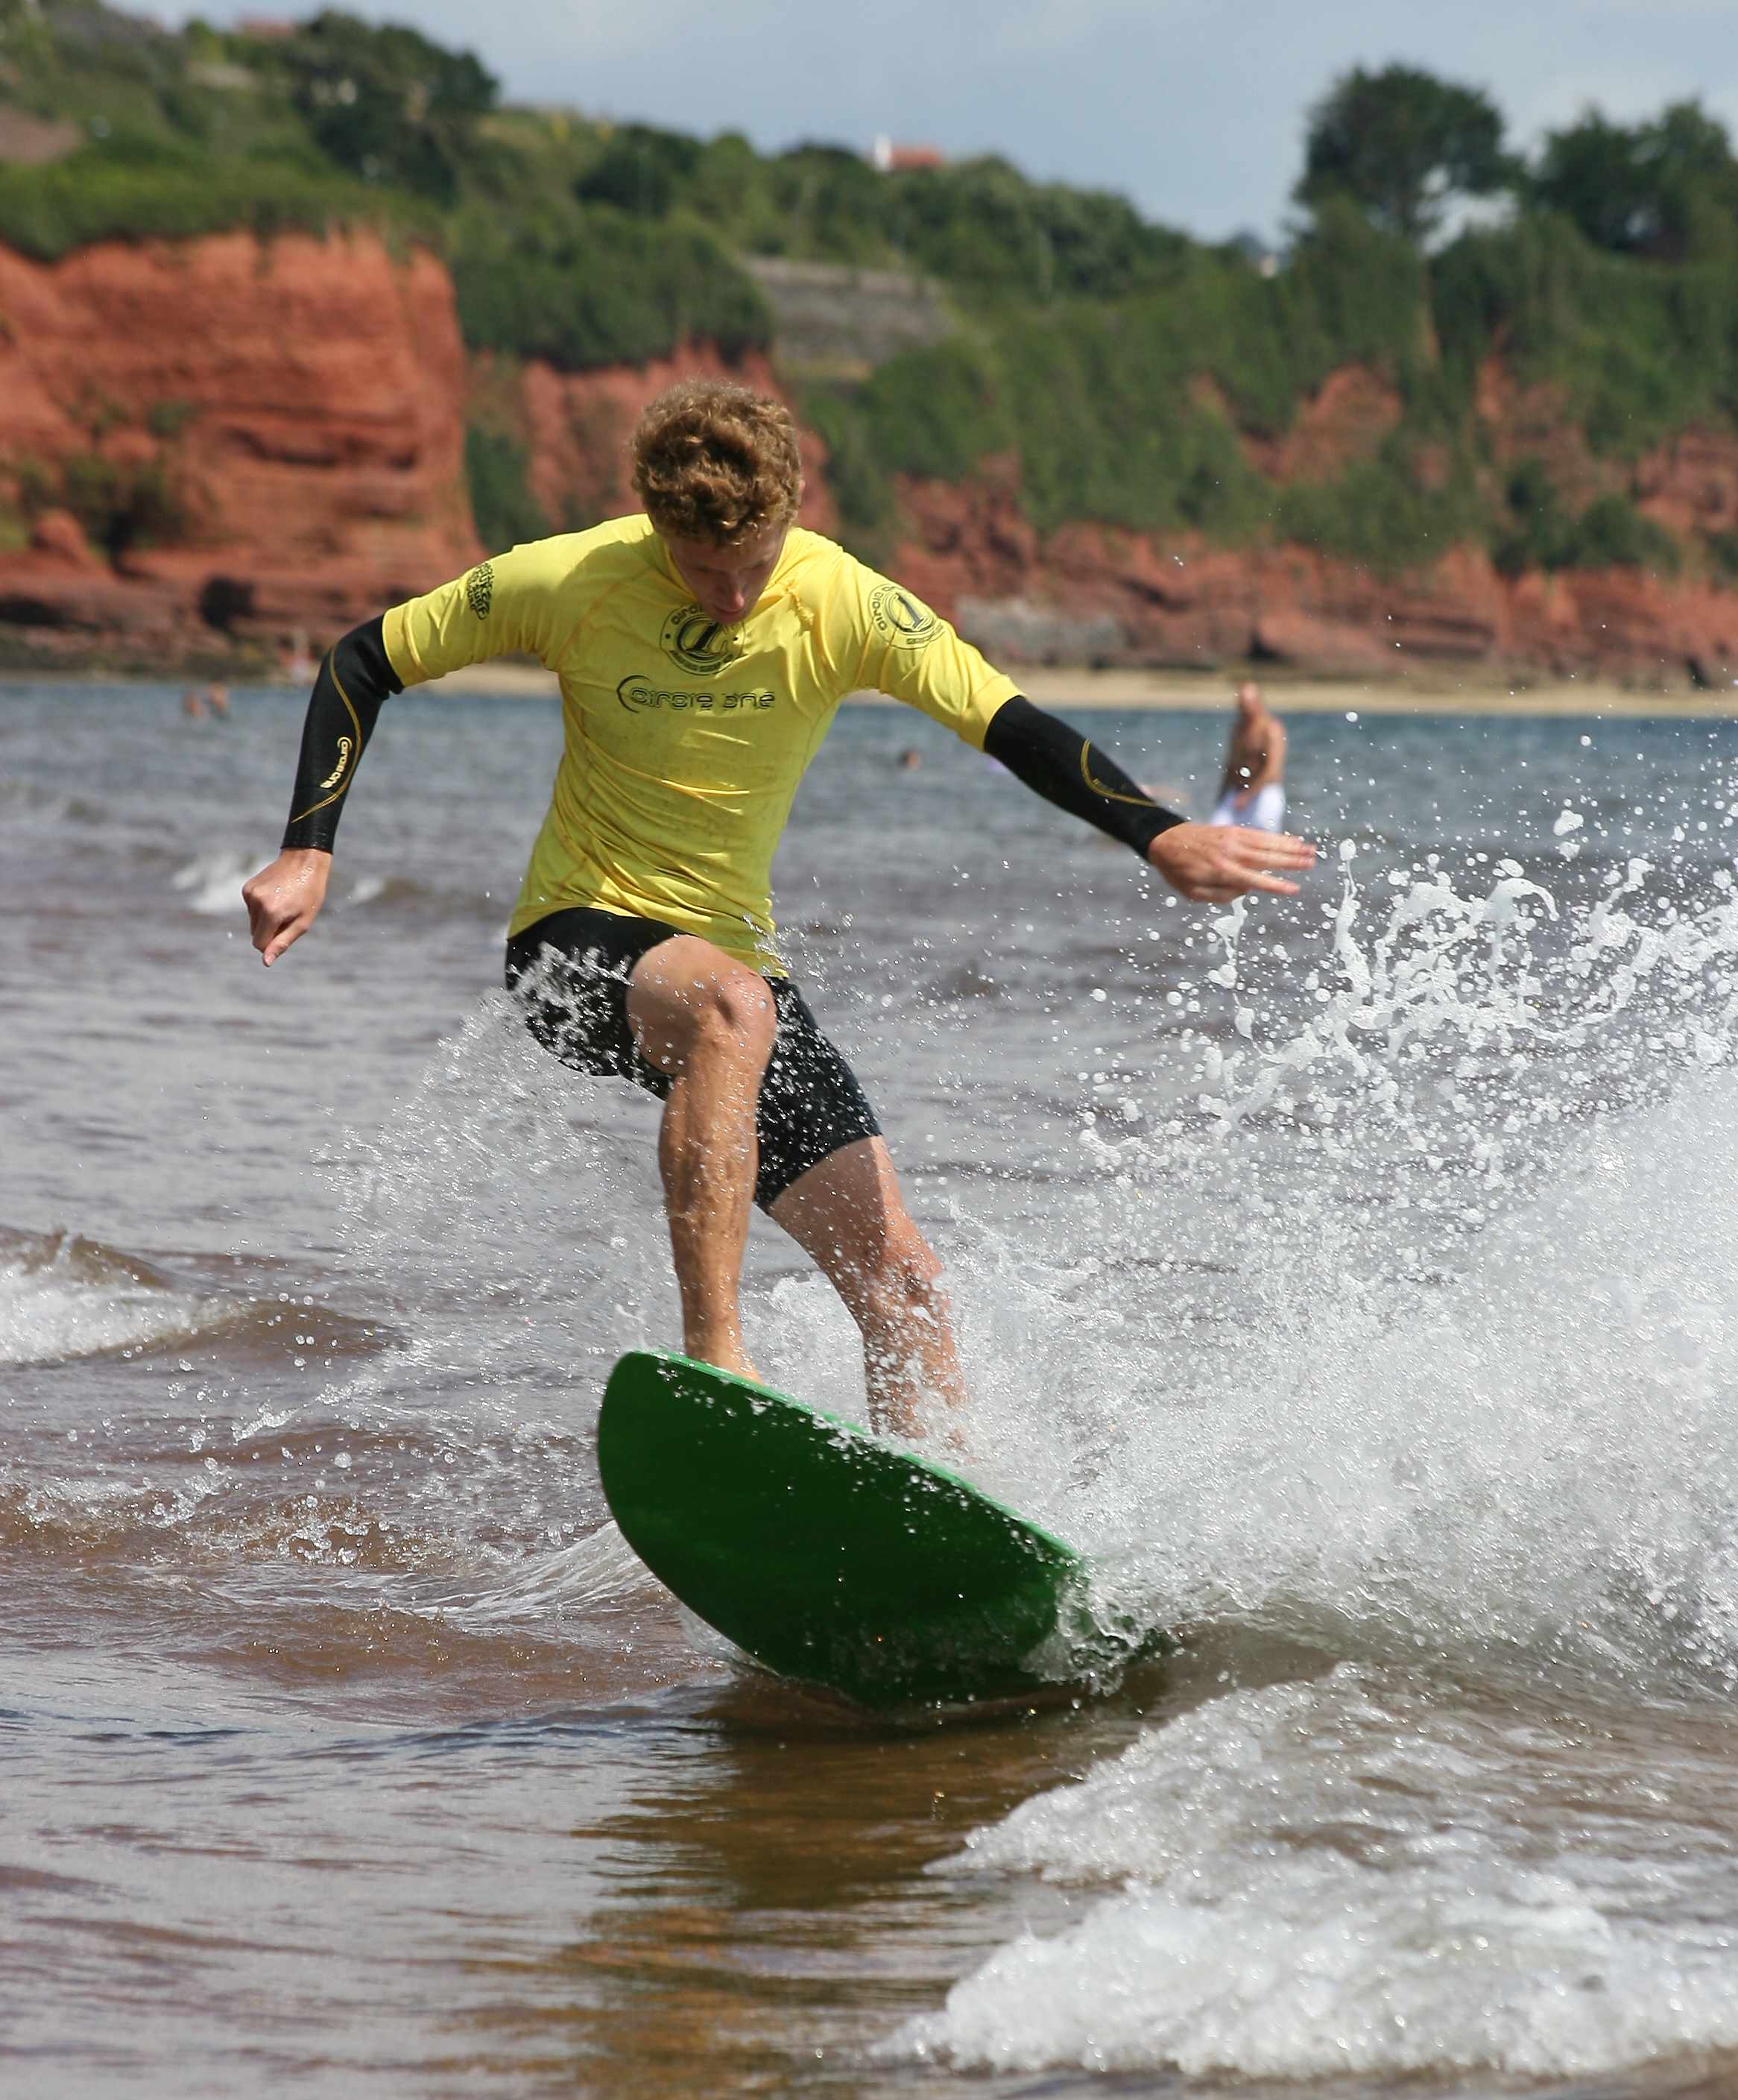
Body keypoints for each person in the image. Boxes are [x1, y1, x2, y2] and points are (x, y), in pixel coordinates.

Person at [243, 381, 1313, 1438]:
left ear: (792, 516)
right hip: (572, 945)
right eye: (704, 571)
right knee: (731, 1008)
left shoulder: (843, 599)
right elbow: (362, 662)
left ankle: (938, 1532)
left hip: (732, 976)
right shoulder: (572, 577)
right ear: (656, 525)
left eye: (754, 566)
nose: (735, 598)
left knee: (906, 1281)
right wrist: (308, 850)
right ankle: (716, 1367)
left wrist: (1155, 831)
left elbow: (1006, 722)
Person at [1211, 679, 1287, 833]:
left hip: (1264, 793)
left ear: (1257, 703)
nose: (1243, 711)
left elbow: (1272, 769)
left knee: (1262, 841)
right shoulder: (1238, 729)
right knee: (1216, 830)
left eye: (1247, 706)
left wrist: (1248, 795)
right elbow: (1231, 764)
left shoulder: (1271, 729)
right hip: (1238, 791)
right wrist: (1222, 794)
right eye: (1241, 706)